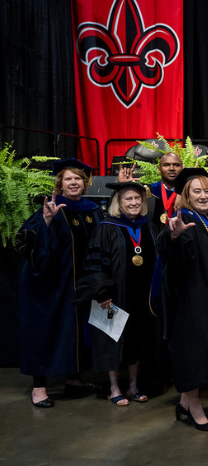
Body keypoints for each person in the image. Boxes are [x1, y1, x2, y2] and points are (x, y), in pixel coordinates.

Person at [16, 159, 103, 408]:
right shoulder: (51, 208)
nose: (74, 182)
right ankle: (39, 387)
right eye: (68, 178)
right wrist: (46, 222)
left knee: (74, 331)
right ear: (60, 183)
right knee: (46, 331)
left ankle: (74, 379)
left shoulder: (92, 210)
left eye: (78, 178)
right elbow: (25, 242)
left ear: (85, 183)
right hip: (49, 286)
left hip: (80, 285)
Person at [158, 168, 208, 432]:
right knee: (192, 354)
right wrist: (175, 235)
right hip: (190, 301)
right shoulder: (184, 219)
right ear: (186, 195)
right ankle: (195, 408)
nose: (203, 196)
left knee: (204, 352)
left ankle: (183, 403)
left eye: (207, 191)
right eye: (197, 191)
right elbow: (171, 254)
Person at [77, 182, 159, 406]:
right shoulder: (106, 227)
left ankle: (133, 385)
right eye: (128, 199)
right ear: (118, 203)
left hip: (142, 296)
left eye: (137, 199)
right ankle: (114, 387)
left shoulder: (148, 227)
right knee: (111, 339)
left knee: (136, 339)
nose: (134, 203)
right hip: (115, 296)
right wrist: (102, 293)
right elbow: (96, 264)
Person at [118, 152, 183, 226]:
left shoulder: (188, 192)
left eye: (176, 165)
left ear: (182, 168)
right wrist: (123, 187)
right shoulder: (148, 190)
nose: (172, 168)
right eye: (166, 165)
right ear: (159, 169)